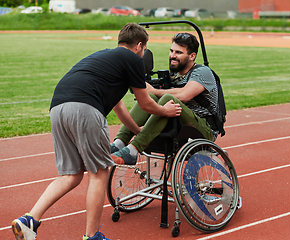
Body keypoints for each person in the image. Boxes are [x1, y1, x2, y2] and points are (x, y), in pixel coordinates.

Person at [11, 23, 182, 240]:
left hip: (58, 108)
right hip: (85, 107)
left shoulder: (104, 58)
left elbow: (119, 106)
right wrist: (165, 111)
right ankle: (92, 237)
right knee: (100, 173)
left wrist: (136, 130)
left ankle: (29, 220)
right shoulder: (134, 60)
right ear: (140, 45)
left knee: (70, 176)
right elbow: (145, 103)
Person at [110, 32, 220, 165]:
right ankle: (119, 142)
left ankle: (133, 150)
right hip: (179, 126)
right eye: (172, 51)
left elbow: (184, 95)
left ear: (192, 56)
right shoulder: (173, 75)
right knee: (148, 97)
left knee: (168, 98)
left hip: (204, 130)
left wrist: (155, 90)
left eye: (178, 52)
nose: (173, 55)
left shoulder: (202, 72)